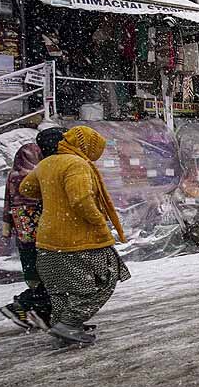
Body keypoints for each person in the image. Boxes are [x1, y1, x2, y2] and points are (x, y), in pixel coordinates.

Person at [18, 125, 129, 346]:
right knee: (106, 277)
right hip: (78, 238)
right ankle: (69, 323)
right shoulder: (76, 163)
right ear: (86, 146)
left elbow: (26, 188)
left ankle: (64, 328)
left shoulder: (47, 163)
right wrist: (99, 223)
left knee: (59, 289)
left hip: (48, 238)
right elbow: (80, 200)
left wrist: (53, 195)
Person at [0, 127, 67, 330]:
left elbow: (8, 205)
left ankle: (38, 312)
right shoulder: (35, 177)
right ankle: (24, 306)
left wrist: (7, 225)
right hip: (39, 238)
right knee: (52, 277)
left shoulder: (15, 175)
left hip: (28, 238)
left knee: (46, 278)